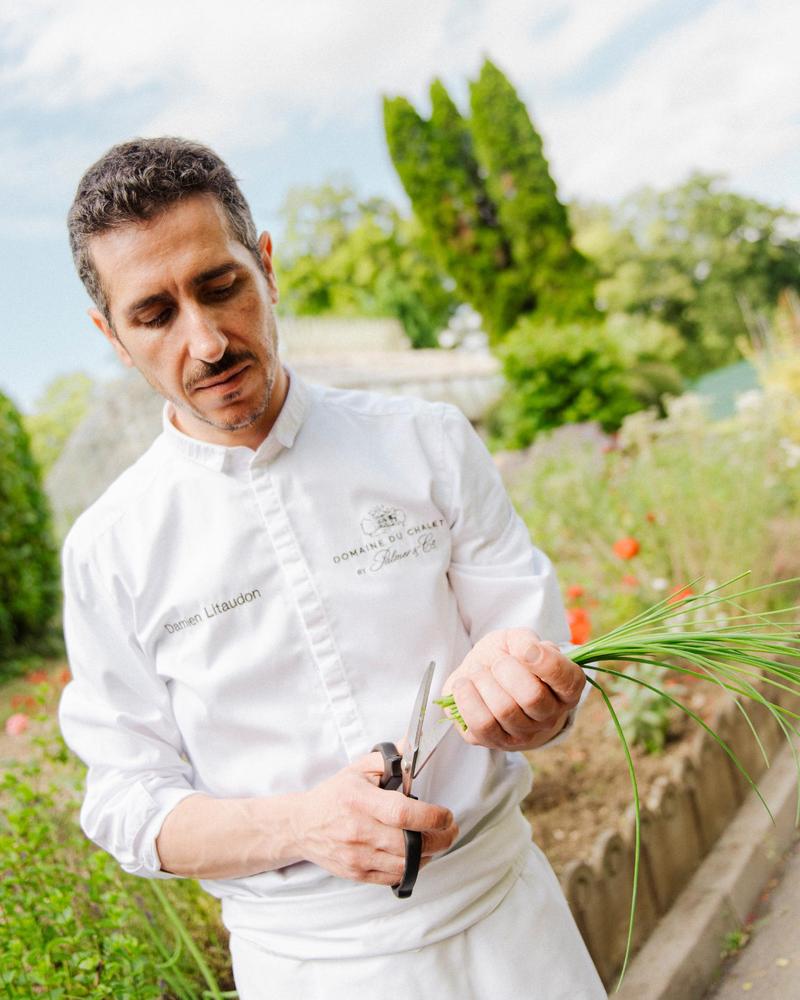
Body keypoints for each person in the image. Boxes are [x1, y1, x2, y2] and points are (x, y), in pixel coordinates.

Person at [59, 137, 606, 999]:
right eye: (154, 314)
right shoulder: (109, 549)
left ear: (266, 267)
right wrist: (302, 824)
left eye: (219, 285)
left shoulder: (424, 440)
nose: (205, 343)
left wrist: (532, 701)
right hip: (307, 968)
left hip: (508, 926)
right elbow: (127, 803)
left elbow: (526, 650)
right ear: (113, 337)